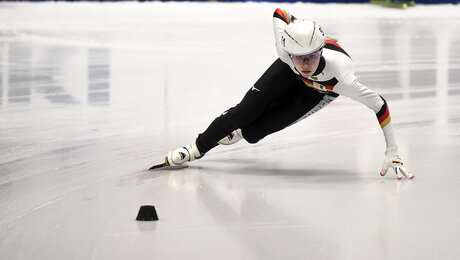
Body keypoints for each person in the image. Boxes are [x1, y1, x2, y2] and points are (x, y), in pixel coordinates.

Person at [163, 8, 413, 180]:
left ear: (321, 50)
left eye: (311, 56)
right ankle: (196, 148)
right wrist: (300, 27)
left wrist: (393, 151)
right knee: (244, 112)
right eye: (299, 57)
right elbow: (280, 13)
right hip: (286, 71)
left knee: (252, 133)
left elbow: (379, 104)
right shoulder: (285, 51)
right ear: (288, 50)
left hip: (318, 92)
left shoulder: (342, 76)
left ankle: (239, 131)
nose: (305, 63)